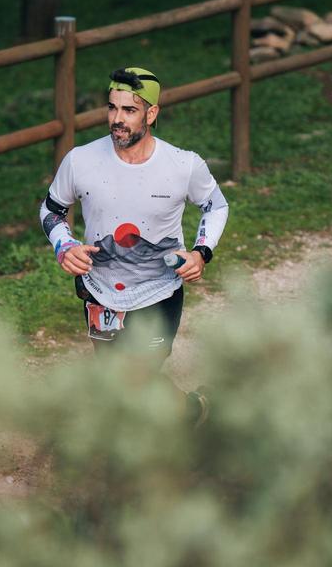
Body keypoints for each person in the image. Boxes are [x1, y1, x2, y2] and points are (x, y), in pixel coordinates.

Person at [39, 67, 230, 426]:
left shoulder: (183, 164)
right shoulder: (80, 161)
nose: (117, 120)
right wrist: (64, 245)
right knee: (120, 382)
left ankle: (174, 431)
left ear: (152, 113)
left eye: (129, 111)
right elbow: (52, 209)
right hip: (99, 292)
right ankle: (190, 411)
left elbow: (216, 205)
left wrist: (201, 252)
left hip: (158, 292)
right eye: (112, 108)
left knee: (134, 379)